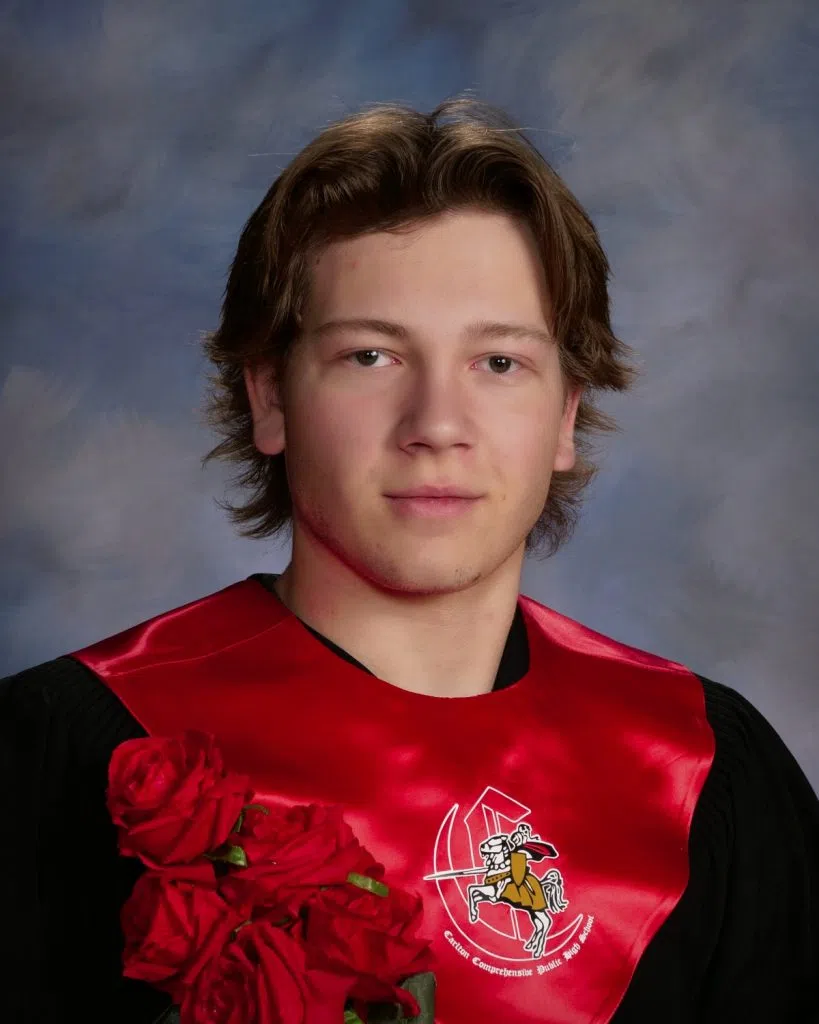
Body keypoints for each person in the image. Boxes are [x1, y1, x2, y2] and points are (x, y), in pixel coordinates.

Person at [1, 97, 817, 1024]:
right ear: (270, 399)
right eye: (370, 356)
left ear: (564, 415)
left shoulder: (705, 769)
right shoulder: (72, 751)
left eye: (498, 363)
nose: (436, 425)